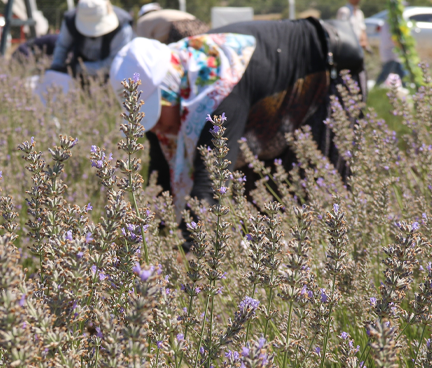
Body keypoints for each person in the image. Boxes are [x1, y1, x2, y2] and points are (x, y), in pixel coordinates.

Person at [110, 17, 364, 223]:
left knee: (318, 204)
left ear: (171, 90)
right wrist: (153, 232)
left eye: (155, 114)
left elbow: (210, 181)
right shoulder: (179, 82)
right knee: (257, 210)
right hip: (270, 100)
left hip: (328, 70)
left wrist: (189, 259)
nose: (155, 128)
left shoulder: (217, 85)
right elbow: (160, 176)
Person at [48, 0, 135, 78]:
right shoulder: (70, 21)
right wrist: (56, 67)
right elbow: (62, 46)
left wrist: (80, 68)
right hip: (79, 74)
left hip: (113, 76)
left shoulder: (122, 27)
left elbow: (117, 61)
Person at [136, 7, 209, 45]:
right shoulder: (156, 18)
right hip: (196, 25)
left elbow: (143, 52)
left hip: (181, 29)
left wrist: (136, 74)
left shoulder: (142, 23)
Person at [375, 18, 406, 85]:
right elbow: (393, 37)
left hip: (393, 52)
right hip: (390, 52)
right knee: (386, 72)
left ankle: (406, 86)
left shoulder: (389, 21)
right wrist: (402, 48)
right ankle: (377, 86)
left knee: (400, 71)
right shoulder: (390, 22)